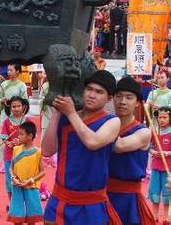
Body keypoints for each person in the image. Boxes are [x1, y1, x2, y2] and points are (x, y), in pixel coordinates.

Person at [42, 70, 122, 224]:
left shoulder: (112, 122)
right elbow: (47, 150)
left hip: (91, 205)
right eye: (89, 89)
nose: (92, 95)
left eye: (99, 92)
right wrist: (56, 116)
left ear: (109, 98)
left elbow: (92, 142)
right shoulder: (66, 117)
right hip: (59, 201)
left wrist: (71, 113)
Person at [108, 76, 154, 224]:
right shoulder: (105, 124)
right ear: (112, 99)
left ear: (137, 103)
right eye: (118, 96)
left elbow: (119, 146)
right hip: (100, 194)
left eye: (129, 97)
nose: (122, 101)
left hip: (127, 200)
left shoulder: (143, 132)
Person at [8, 121, 45, 224]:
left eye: (21, 134)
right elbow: (11, 168)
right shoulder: (16, 149)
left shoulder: (38, 152)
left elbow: (42, 172)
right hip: (17, 186)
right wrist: (13, 178)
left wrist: (30, 180)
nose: (18, 136)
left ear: (30, 136)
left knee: (32, 217)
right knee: (17, 216)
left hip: (31, 187)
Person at [0, 63, 28, 169]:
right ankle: (4, 162)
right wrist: (2, 101)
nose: (8, 72)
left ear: (17, 71)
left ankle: (19, 158)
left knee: (18, 136)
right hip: (6, 113)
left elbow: (25, 101)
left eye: (11, 70)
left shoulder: (22, 85)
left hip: (18, 114)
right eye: (8, 70)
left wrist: (20, 110)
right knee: (4, 137)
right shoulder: (4, 84)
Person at [1, 96, 30, 203]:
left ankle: (23, 201)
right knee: (10, 180)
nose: (16, 109)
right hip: (10, 155)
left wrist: (21, 142)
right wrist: (8, 142)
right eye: (14, 106)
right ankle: (12, 202)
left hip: (24, 155)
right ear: (10, 108)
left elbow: (31, 137)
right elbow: (4, 136)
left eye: (18, 106)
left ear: (24, 107)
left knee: (23, 178)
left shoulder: (27, 121)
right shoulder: (7, 121)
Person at [148, 106, 171, 223]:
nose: (161, 120)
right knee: (155, 191)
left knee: (167, 193)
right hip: (156, 167)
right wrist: (153, 152)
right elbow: (150, 146)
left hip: (168, 168)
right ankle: (155, 215)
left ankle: (166, 217)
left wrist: (166, 153)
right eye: (159, 117)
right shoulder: (155, 131)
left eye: (164, 117)